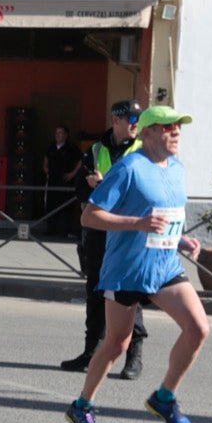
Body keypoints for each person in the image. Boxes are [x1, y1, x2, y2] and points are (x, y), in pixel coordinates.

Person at [65, 105, 208, 423]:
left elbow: (165, 212)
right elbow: (90, 216)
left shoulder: (177, 168)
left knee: (198, 328)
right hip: (127, 269)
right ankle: (82, 405)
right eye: (167, 126)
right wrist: (138, 224)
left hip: (165, 266)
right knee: (116, 343)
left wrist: (180, 238)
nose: (176, 132)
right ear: (147, 133)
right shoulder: (129, 168)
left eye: (178, 126)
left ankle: (164, 397)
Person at [61, 100, 150, 377]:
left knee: (128, 293)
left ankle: (134, 357)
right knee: (96, 291)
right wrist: (89, 187)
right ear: (117, 120)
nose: (137, 125)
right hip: (98, 233)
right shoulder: (96, 151)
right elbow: (78, 191)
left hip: (126, 234)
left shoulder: (143, 152)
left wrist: (106, 187)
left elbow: (147, 191)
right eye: (132, 120)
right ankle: (91, 351)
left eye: (139, 121)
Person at [42, 124, 85, 238]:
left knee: (65, 207)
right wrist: (45, 167)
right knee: (51, 205)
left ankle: (64, 231)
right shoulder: (52, 146)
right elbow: (46, 157)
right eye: (56, 133)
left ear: (66, 135)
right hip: (52, 180)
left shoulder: (71, 147)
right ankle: (50, 229)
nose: (58, 135)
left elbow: (81, 161)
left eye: (60, 133)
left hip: (65, 180)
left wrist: (72, 174)